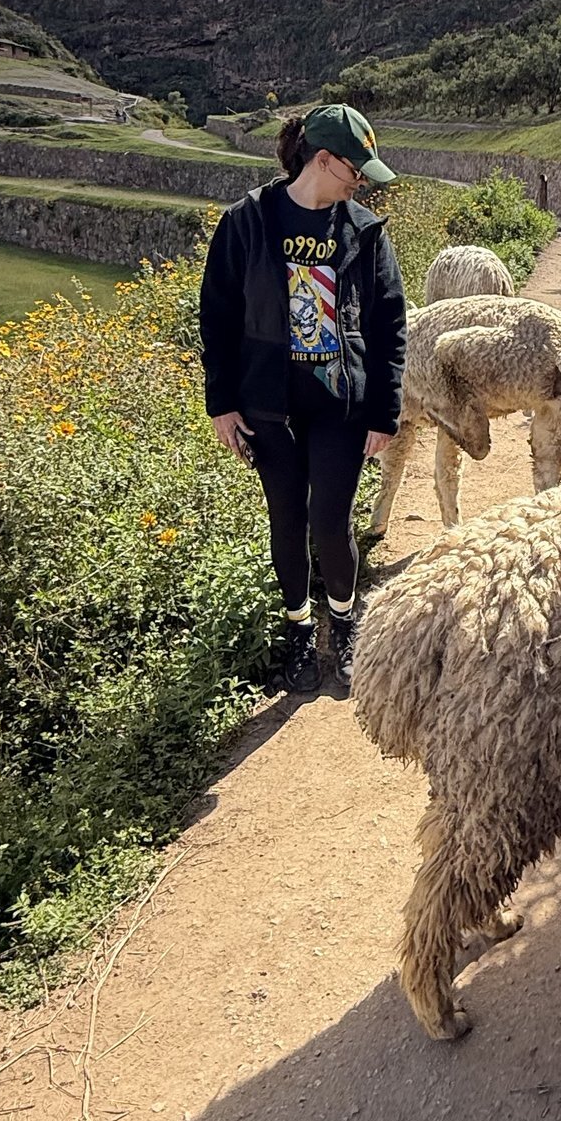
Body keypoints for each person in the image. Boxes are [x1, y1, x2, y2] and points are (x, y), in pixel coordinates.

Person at [200, 102, 408, 696]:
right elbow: (216, 318)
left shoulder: (364, 232)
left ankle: (342, 623)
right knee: (287, 520)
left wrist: (384, 411)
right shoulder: (247, 222)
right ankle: (297, 630)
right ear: (323, 160)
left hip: (340, 404)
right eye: (356, 170)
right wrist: (223, 403)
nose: (362, 182)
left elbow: (391, 324)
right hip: (268, 405)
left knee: (328, 520)